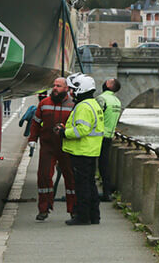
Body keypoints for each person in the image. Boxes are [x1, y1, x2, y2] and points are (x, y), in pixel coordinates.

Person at [55, 73, 104, 226]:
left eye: (72, 89)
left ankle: (83, 217)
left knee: (82, 186)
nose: (70, 92)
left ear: (80, 89)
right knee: (90, 185)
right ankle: (94, 216)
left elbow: (81, 130)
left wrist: (64, 132)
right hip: (91, 150)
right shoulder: (94, 104)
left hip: (81, 151)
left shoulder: (83, 106)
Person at [29, 78, 76, 221]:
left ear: (67, 88)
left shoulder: (74, 105)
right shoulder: (44, 104)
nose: (55, 88)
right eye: (54, 85)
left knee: (71, 179)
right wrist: (32, 139)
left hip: (66, 147)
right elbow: (36, 123)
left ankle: (73, 209)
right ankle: (44, 209)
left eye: (59, 86)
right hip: (47, 146)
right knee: (43, 177)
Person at [96, 78, 122, 201]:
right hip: (109, 136)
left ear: (108, 85)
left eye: (107, 81)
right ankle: (107, 192)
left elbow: (95, 116)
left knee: (90, 164)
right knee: (104, 165)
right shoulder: (117, 101)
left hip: (98, 135)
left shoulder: (102, 98)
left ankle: (91, 192)